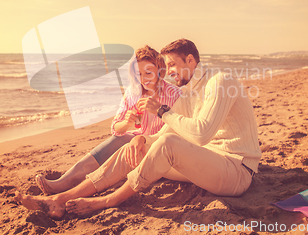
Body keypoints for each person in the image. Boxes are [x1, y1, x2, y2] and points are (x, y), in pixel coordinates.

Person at [15, 39, 261, 219]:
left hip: (236, 170)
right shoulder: (188, 92)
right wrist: (141, 138)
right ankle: (59, 199)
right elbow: (168, 132)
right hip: (208, 165)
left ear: (191, 60)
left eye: (173, 65)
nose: (170, 72)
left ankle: (108, 200)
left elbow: (201, 133)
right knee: (137, 147)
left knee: (168, 145)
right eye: (167, 66)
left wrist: (163, 111)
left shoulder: (219, 81)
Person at [35, 45, 181, 195]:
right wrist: (127, 123)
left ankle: (79, 186)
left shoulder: (174, 94)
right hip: (140, 141)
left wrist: (159, 111)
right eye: (139, 74)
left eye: (149, 72)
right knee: (120, 138)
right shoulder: (133, 93)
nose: (144, 79)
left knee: (131, 141)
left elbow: (180, 128)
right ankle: (65, 181)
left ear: (159, 70)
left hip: (162, 148)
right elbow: (116, 128)